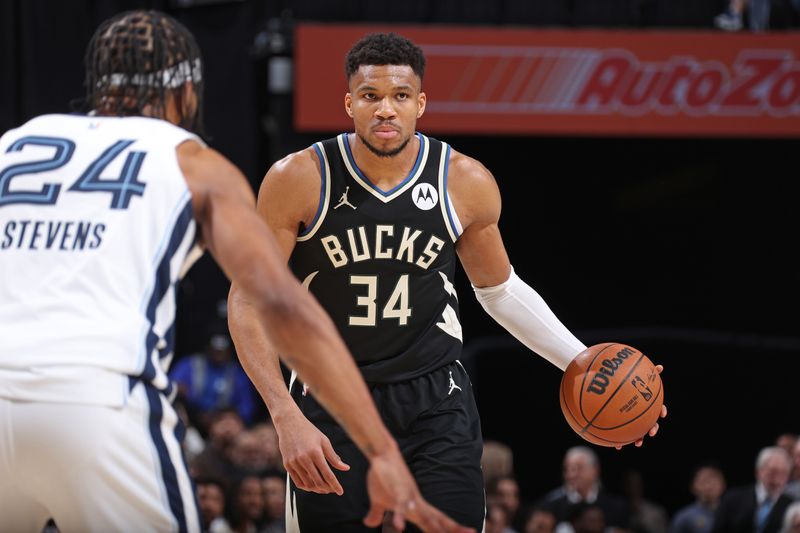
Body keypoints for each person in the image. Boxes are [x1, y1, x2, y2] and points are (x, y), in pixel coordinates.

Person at [0, 12, 472, 533]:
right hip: (98, 402)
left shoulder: (15, 145)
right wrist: (379, 450)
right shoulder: (193, 163)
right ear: (186, 90)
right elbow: (279, 303)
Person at [227, 31, 666, 532]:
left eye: (400, 96)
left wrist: (582, 362)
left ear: (421, 103)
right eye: (371, 96)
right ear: (349, 103)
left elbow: (499, 290)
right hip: (331, 396)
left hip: (436, 398)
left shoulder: (463, 180)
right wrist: (283, 414)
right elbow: (247, 299)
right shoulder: (298, 178)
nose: (386, 109)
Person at [170, 329, 257, 428]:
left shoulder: (238, 374)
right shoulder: (189, 364)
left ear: (229, 351)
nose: (218, 355)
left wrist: (223, 416)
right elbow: (171, 386)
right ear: (207, 348)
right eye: (215, 350)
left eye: (222, 351)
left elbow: (247, 408)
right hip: (191, 420)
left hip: (221, 423)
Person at [538, 446, 630, 531]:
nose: (571, 475)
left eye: (579, 468)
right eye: (567, 469)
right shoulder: (550, 505)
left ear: (595, 470)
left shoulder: (616, 507)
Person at [711, 446, 794, 533]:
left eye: (783, 473)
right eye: (773, 472)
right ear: (759, 472)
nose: (777, 479)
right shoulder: (733, 499)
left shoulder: (791, 505)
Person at [669, 464, 727, 533]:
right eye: (704, 481)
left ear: (723, 485)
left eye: (714, 480)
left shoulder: (733, 514)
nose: (709, 486)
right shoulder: (684, 517)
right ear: (693, 486)